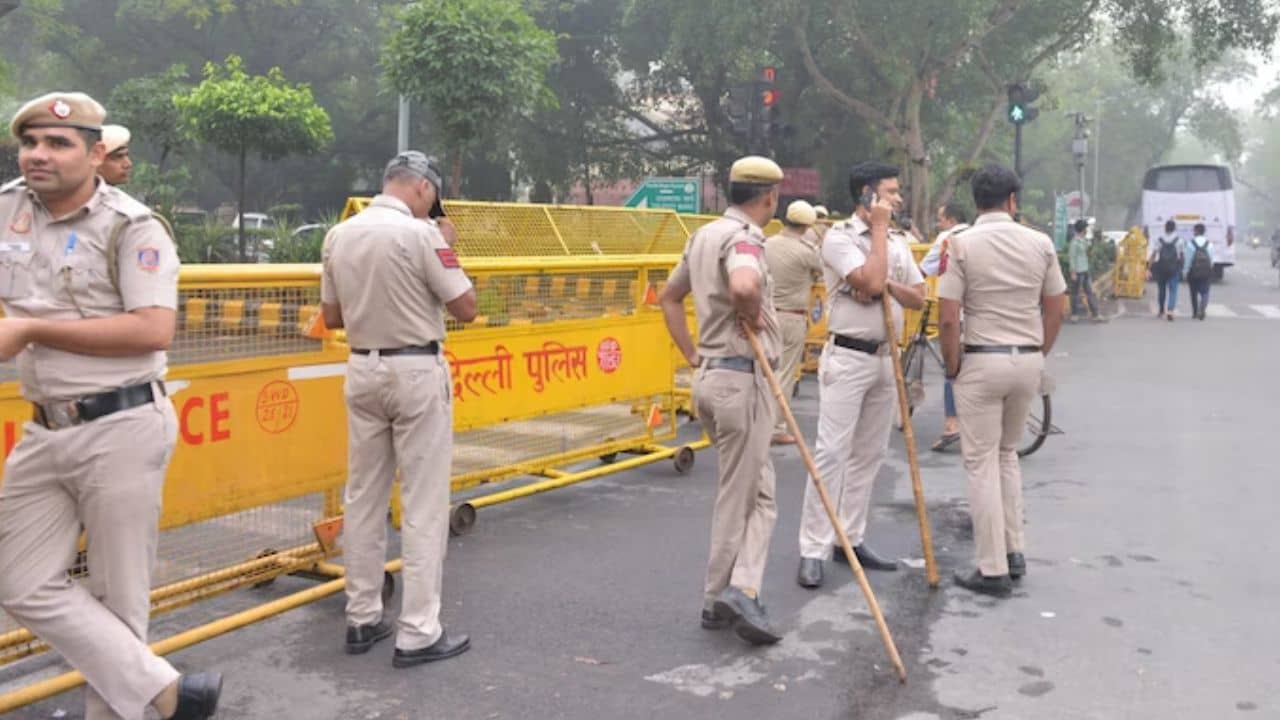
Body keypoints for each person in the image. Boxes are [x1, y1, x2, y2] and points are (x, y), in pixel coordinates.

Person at [0, 92, 221, 720]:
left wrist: (31, 330)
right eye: (31, 142)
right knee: (18, 580)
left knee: (119, 598)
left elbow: (153, 329)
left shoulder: (133, 225)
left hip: (122, 424)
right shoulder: (7, 209)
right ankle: (171, 694)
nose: (39, 155)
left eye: (59, 143)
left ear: (97, 154)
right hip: (44, 428)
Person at [321, 150, 477, 667]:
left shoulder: (339, 235)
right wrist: (448, 248)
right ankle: (418, 631)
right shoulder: (423, 234)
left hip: (362, 368)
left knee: (362, 498)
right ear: (424, 190)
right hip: (415, 371)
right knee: (423, 502)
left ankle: (362, 617)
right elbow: (466, 308)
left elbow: (332, 315)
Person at [658, 156, 784, 645]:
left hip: (710, 377)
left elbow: (669, 297)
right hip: (741, 380)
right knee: (742, 496)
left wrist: (692, 353)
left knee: (760, 492)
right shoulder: (745, 238)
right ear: (768, 198)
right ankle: (725, 596)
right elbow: (745, 283)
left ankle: (739, 588)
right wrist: (749, 312)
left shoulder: (703, 235)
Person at [795, 162, 926, 590]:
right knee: (832, 453)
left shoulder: (900, 243)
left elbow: (918, 298)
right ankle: (812, 547)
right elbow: (868, 281)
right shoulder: (839, 238)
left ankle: (849, 537)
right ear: (868, 197)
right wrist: (878, 271)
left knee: (868, 455)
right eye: (890, 192)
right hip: (848, 357)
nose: (898, 199)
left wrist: (883, 286)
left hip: (886, 358)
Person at [937, 165, 1066, 598]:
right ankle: (1015, 552)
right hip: (1026, 361)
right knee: (1007, 455)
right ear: (1012, 201)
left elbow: (949, 316)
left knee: (980, 463)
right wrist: (1038, 351)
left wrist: (952, 366)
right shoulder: (1040, 243)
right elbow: (1056, 307)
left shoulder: (960, 244)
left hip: (981, 361)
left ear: (977, 201)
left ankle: (991, 568)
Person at [765, 200, 822, 445]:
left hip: (765, 314)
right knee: (785, 374)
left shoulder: (766, 244)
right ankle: (776, 428)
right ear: (807, 225)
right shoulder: (806, 251)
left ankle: (757, 422)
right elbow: (820, 271)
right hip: (792, 317)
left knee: (763, 372)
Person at [920, 202, 970, 452]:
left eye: (940, 219)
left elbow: (923, 269)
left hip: (954, 312)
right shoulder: (977, 237)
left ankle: (951, 424)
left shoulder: (946, 239)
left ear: (950, 220)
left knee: (951, 366)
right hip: (979, 315)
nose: (939, 224)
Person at [1068, 219, 1103, 323]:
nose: (1087, 230)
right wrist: (1073, 272)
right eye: (1086, 228)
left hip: (1085, 269)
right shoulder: (1074, 243)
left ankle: (1095, 314)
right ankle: (1074, 314)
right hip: (1077, 271)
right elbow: (1072, 257)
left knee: (1090, 292)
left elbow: (1088, 252)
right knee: (1075, 294)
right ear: (1082, 229)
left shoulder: (1084, 240)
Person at [1149, 219, 1183, 321]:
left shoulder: (1159, 240)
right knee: (1173, 290)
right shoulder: (1179, 240)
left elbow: (1154, 254)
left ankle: (1161, 310)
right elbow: (1181, 256)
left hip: (1161, 268)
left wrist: (1148, 267)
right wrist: (1181, 267)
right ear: (1174, 228)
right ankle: (1170, 311)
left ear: (1165, 228)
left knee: (1161, 290)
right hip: (1174, 268)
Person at [1184, 222, 1214, 320]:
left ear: (1196, 231)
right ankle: (1203, 307)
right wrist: (1210, 269)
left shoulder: (1190, 243)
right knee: (1205, 292)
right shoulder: (1209, 244)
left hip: (1193, 272)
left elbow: (1188, 259)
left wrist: (1185, 271)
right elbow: (1211, 260)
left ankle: (1195, 312)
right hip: (1206, 271)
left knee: (1193, 292)